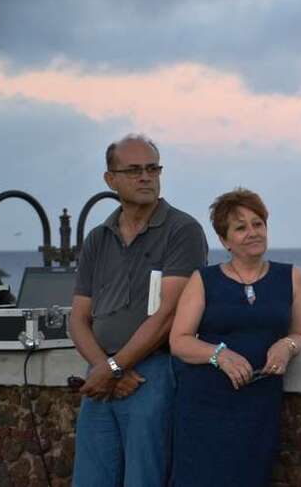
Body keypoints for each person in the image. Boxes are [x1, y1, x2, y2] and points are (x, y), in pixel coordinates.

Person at [69, 134, 208, 486]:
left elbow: (168, 315)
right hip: (102, 373)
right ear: (110, 179)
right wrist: (105, 369)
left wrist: (114, 368)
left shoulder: (182, 230)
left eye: (152, 168)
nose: (146, 177)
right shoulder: (98, 238)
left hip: (152, 373)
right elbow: (79, 318)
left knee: (144, 478)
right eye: (134, 170)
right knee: (91, 479)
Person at [169, 188, 301, 487]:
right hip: (205, 405)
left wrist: (286, 346)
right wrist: (219, 354)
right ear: (225, 240)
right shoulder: (203, 279)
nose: (253, 232)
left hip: (259, 404)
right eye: (241, 227)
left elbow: (298, 333)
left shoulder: (292, 277)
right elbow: (179, 341)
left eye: (258, 224)